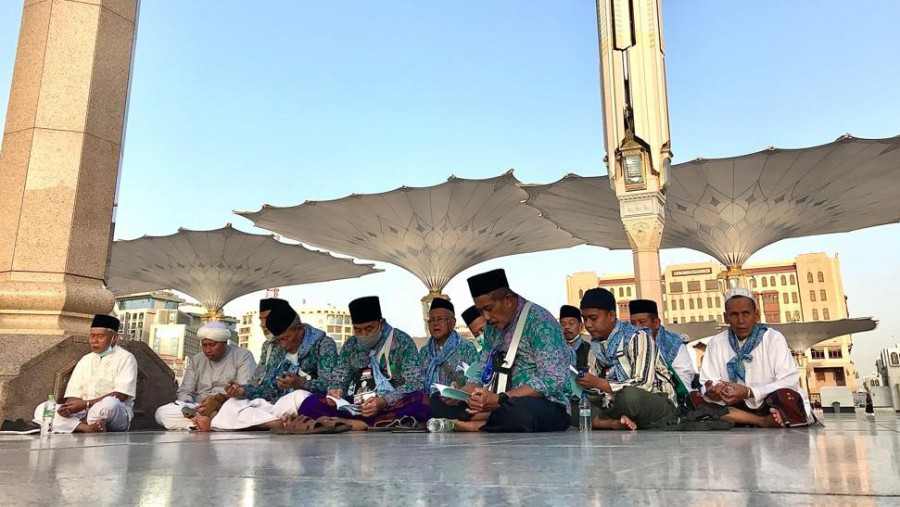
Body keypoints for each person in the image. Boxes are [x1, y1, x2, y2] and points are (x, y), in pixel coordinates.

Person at [452, 269, 571, 433]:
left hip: (545, 404)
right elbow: (483, 366)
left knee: (520, 413)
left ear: (508, 300)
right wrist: (465, 393)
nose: (486, 317)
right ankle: (487, 418)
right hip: (499, 401)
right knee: (445, 405)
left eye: (489, 308)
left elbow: (553, 378)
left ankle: (480, 424)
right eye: (481, 311)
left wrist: (502, 398)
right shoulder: (492, 328)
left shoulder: (541, 322)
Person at [297, 296, 430, 427]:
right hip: (359, 406)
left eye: (369, 328)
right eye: (358, 330)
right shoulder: (351, 345)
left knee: (420, 400)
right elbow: (339, 378)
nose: (364, 334)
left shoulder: (402, 341)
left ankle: (352, 423)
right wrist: (335, 392)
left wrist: (384, 401)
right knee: (310, 404)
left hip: (392, 405)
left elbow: (415, 383)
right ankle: (363, 423)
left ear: (381, 323)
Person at [210, 302, 340, 431]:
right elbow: (269, 388)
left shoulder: (323, 344)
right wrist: (243, 391)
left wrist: (300, 383)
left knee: (299, 396)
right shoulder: (276, 347)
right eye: (278, 340)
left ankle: (262, 422)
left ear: (299, 329)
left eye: (285, 338)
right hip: (276, 406)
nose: (282, 345)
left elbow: (331, 387)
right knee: (233, 403)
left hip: (302, 403)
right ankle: (274, 422)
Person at [699, 288, 812, 428]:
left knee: (787, 396)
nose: (741, 320)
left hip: (768, 403)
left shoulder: (773, 338)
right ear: (726, 318)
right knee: (697, 401)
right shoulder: (716, 342)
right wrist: (714, 390)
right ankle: (762, 421)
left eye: (746, 313)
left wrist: (750, 392)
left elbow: (789, 380)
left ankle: (760, 418)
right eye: (734, 315)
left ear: (756, 315)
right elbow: (707, 382)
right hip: (734, 406)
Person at [575, 288, 679, 431]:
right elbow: (596, 389)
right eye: (584, 319)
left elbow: (643, 384)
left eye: (593, 318)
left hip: (654, 401)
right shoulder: (595, 346)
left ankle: (604, 420)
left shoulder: (637, 337)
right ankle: (615, 423)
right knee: (574, 403)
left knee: (630, 397)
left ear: (611, 315)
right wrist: (586, 384)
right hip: (612, 402)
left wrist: (599, 383)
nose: (588, 324)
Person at [33, 315, 137, 433]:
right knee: (43, 408)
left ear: (114, 338)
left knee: (109, 404)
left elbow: (121, 395)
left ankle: (75, 425)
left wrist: (86, 404)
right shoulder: (85, 359)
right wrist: (69, 409)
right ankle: (87, 427)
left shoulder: (126, 358)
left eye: (100, 337)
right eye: (92, 336)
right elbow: (73, 395)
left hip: (113, 412)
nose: (94, 341)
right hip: (81, 412)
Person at [154, 321, 256, 431]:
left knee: (247, 413)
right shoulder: (197, 360)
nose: (207, 350)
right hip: (198, 408)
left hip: (226, 407)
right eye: (204, 345)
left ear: (224, 342)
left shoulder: (243, 356)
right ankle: (204, 423)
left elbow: (245, 390)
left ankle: (204, 423)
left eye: (212, 345)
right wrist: (188, 407)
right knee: (161, 413)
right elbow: (185, 391)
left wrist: (218, 402)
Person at [420, 298, 480, 420]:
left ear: (452, 322)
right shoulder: (424, 351)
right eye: (431, 320)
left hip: (458, 405)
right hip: (429, 403)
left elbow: (477, 381)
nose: (435, 324)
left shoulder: (466, 348)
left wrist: (459, 392)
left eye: (440, 319)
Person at [628, 299, 698, 398]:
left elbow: (683, 383)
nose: (637, 328)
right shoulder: (628, 342)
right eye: (633, 324)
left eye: (642, 322)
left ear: (656, 323)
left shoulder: (674, 344)